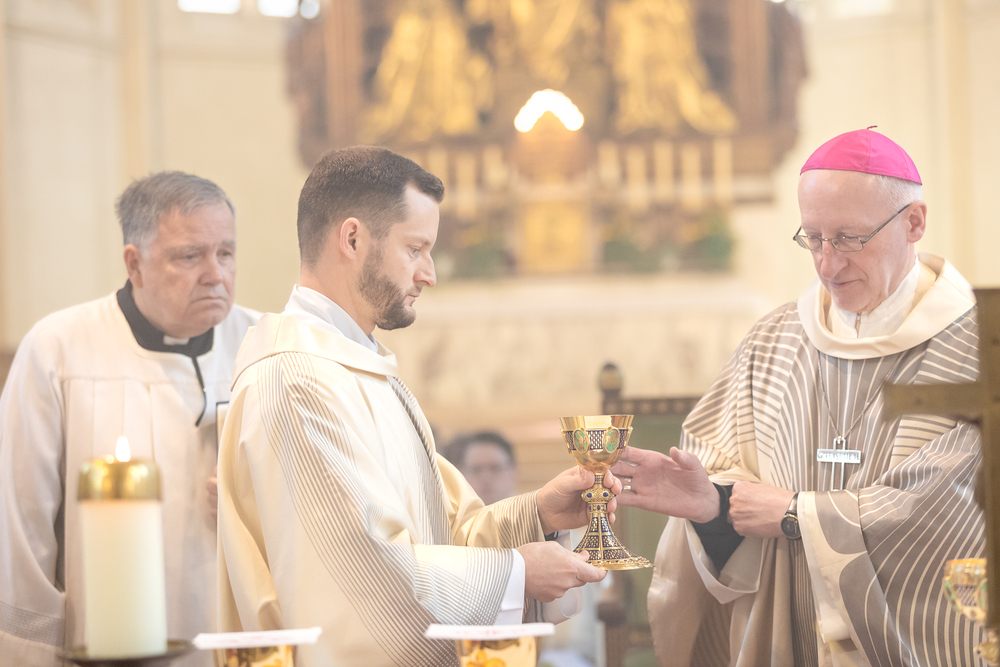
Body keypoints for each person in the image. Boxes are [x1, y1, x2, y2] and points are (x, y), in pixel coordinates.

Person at [216, 146, 615, 666]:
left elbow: (443, 535)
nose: (428, 273)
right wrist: (516, 574)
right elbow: (364, 584)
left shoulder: (362, 369)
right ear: (352, 239)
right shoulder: (295, 383)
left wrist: (537, 514)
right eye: (415, 249)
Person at [612, 128, 985, 666]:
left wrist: (796, 513)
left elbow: (946, 510)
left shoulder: (976, 347)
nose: (828, 264)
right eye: (813, 238)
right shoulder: (775, 341)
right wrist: (713, 505)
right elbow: (730, 481)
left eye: (849, 239)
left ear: (914, 223)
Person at [0, 172, 259, 666]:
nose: (215, 274)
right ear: (134, 264)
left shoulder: (267, 346)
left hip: (240, 647)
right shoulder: (58, 351)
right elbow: (21, 531)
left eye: (225, 253)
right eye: (190, 256)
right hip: (105, 649)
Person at [443, 431, 519, 505]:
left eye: (495, 468)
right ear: (461, 474)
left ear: (513, 471)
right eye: (476, 470)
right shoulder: (450, 512)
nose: (486, 477)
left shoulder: (525, 511)